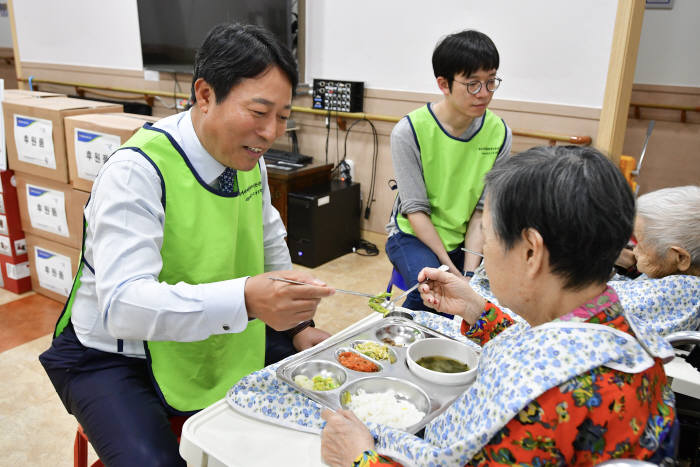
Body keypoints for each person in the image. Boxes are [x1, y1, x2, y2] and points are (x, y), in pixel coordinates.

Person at [39, 23, 334, 466]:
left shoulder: (248, 159)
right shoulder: (137, 171)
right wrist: (248, 300)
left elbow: (271, 244)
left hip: (208, 333)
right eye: (259, 112)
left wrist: (298, 328)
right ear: (204, 94)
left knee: (311, 408)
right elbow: (122, 307)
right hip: (115, 357)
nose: (272, 132)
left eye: (284, 116)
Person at [321, 146, 675, 466]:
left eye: (488, 237)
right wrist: (478, 311)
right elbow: (551, 351)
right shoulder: (621, 329)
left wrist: (360, 459)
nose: (484, 252)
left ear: (531, 252)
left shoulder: (538, 408)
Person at [385, 29, 512, 311]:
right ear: (444, 84)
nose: (485, 94)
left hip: (465, 241)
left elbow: (481, 213)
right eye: (473, 84)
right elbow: (416, 212)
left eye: (491, 82)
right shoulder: (409, 132)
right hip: (411, 237)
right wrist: (451, 272)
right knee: (433, 290)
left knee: (493, 296)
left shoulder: (499, 133)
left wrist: (468, 273)